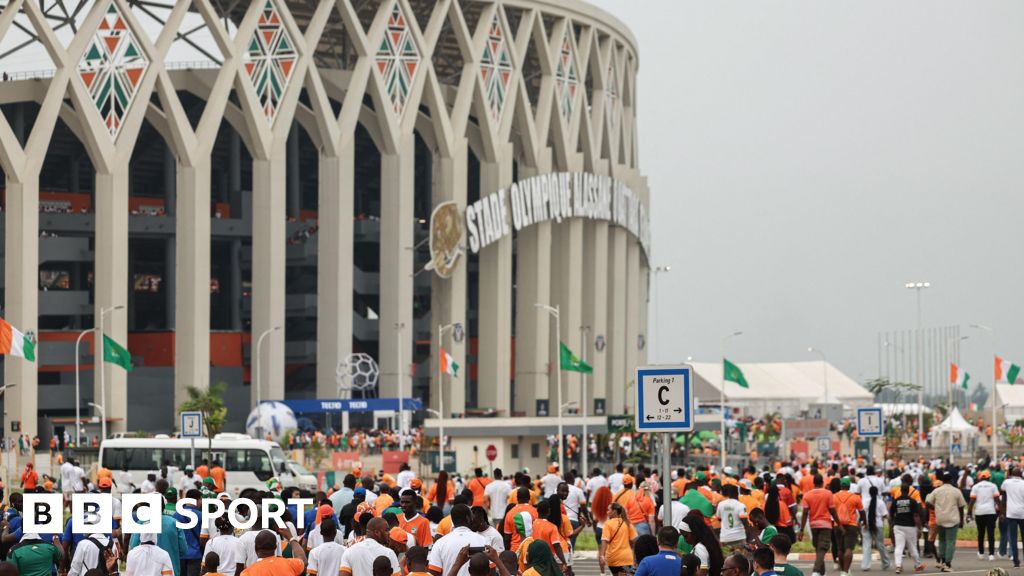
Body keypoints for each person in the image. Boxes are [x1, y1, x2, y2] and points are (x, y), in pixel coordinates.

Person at [797, 474, 841, 576]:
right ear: (822, 482)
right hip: (826, 525)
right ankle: (816, 571)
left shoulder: (807, 495)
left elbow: (805, 513)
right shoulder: (828, 493)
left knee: (818, 548)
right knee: (822, 548)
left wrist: (802, 529)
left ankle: (822, 572)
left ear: (814, 483)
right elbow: (832, 511)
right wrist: (839, 524)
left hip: (813, 525)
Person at [426, 505, 486, 576]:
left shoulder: (440, 543)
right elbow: (491, 571)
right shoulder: (482, 540)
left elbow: (433, 573)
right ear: (468, 518)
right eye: (471, 516)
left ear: (452, 520)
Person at [926, 471, 966, 572]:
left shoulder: (937, 491)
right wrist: (961, 520)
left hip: (940, 518)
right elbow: (961, 507)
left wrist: (936, 509)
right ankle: (948, 564)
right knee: (950, 542)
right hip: (953, 519)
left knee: (942, 541)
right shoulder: (956, 491)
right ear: (951, 480)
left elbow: (927, 502)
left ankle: (942, 561)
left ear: (942, 481)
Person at [890, 482, 925, 575]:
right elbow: (916, 516)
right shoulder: (912, 501)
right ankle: (917, 565)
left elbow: (891, 515)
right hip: (910, 526)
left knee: (899, 547)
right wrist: (919, 528)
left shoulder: (896, 501)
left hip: (898, 526)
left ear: (901, 490)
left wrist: (893, 524)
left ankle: (898, 566)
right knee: (912, 547)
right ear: (908, 491)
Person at [239, 530, 306, 576]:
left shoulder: (248, 573)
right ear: (276, 547)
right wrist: (291, 538)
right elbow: (302, 559)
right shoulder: (291, 564)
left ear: (256, 548)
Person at [831, 477, 862, 575]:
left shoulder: (833, 496)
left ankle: (843, 570)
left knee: (840, 549)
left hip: (837, 525)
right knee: (849, 549)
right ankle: (845, 571)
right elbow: (862, 511)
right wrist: (863, 521)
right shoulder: (855, 497)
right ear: (849, 486)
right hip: (851, 525)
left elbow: (830, 510)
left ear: (841, 485)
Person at [970, 469, 1000, 561]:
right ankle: (991, 554)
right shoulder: (993, 486)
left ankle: (981, 553)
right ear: (989, 477)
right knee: (991, 533)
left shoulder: (976, 486)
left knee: (981, 533)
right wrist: (1001, 511)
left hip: (979, 512)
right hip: (990, 512)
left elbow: (972, 501)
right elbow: (997, 500)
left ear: (980, 478)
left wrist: (968, 513)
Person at [599, 502, 637, 574]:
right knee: (625, 573)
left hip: (613, 558)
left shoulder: (608, 524)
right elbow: (635, 540)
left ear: (614, 511)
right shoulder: (627, 523)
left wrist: (602, 555)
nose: (607, 512)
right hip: (626, 558)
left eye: (608, 510)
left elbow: (605, 541)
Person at [860, 486, 890, 572]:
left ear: (869, 492)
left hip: (865, 525)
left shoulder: (864, 502)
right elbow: (885, 515)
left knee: (866, 545)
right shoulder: (881, 503)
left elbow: (861, 513)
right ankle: (886, 563)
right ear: (877, 493)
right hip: (878, 525)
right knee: (880, 545)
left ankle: (865, 565)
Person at [1002, 466, 1024, 568]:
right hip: (1022, 513)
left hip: (1011, 514)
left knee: (1013, 539)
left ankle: (1016, 561)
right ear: (1021, 474)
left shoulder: (1007, 482)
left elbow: (1003, 492)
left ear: (1012, 474)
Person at [716, 484, 748, 552]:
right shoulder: (741, 505)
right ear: (736, 493)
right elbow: (745, 522)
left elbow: (719, 518)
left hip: (725, 538)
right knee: (740, 560)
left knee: (728, 560)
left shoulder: (720, 504)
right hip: (739, 537)